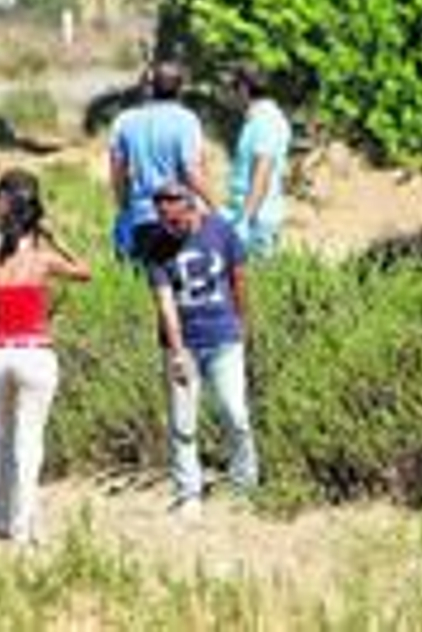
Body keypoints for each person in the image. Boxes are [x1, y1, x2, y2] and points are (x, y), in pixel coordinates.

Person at [0, 170, 91, 544]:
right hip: (34, 352)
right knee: (29, 443)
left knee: (2, 442)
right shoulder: (42, 260)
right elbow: (85, 271)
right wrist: (57, 238)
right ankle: (24, 526)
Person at [148, 180, 259, 519]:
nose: (172, 228)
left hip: (224, 337)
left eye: (177, 221)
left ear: (192, 208)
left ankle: (245, 483)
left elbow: (239, 277)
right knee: (183, 422)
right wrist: (178, 352)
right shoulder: (156, 246)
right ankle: (188, 492)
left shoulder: (221, 232)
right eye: (165, 221)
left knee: (235, 412)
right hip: (184, 343)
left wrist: (243, 324)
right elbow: (165, 302)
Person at [109, 60, 215, 262]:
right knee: (177, 285)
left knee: (145, 283)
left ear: (151, 87)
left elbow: (118, 173)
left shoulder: (125, 121)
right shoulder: (186, 120)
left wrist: (124, 208)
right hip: (178, 219)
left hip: (140, 217)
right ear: (180, 88)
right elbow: (191, 170)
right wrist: (214, 208)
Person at [222, 64, 293, 256]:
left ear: (244, 89)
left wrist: (245, 220)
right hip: (243, 213)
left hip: (258, 221)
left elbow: (262, 173)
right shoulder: (255, 120)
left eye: (232, 88)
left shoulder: (266, 121)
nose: (230, 95)